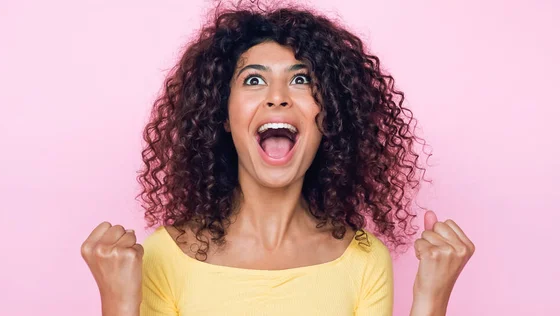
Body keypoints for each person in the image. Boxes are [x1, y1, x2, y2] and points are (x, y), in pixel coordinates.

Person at [81, 1, 475, 315]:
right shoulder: (166, 255)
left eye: (301, 79)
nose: (278, 96)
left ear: (330, 116)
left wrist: (430, 298)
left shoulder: (364, 259)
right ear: (223, 115)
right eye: (254, 80)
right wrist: (117, 304)